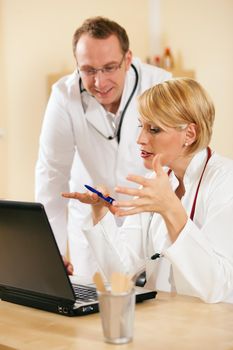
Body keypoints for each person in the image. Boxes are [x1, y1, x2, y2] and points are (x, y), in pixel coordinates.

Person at [62, 78, 233, 303]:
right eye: (141, 126)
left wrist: (170, 208)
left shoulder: (225, 181)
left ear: (189, 134)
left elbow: (217, 287)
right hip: (160, 324)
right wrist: (100, 212)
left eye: (154, 129)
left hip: (210, 329)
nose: (140, 139)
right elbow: (119, 274)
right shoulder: (155, 181)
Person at [35, 16, 171, 276]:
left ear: (128, 59)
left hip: (149, 222)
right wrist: (50, 251)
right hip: (91, 224)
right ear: (77, 66)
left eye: (109, 68)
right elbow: (51, 176)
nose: (99, 82)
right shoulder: (64, 96)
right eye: (88, 70)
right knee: (94, 308)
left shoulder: (159, 84)